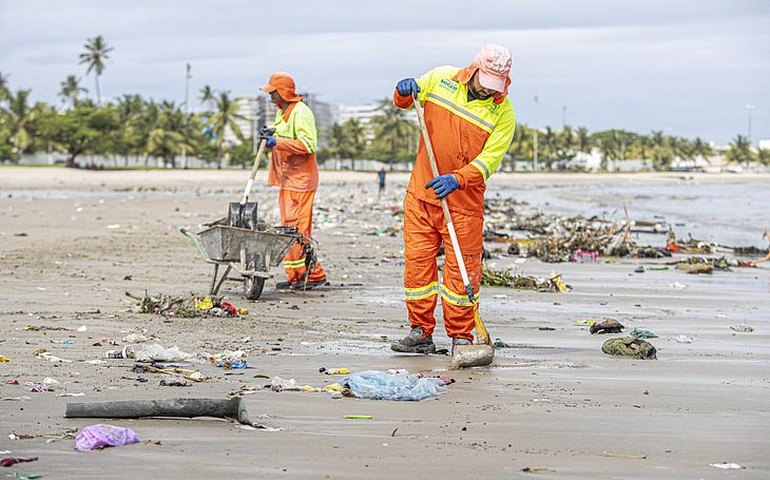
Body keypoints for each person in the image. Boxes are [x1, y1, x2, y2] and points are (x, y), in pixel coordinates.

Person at [389, 44, 516, 359]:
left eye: (495, 86)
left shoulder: (503, 113)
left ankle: (461, 336)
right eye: (485, 82)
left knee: (462, 270)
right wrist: (402, 92)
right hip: (421, 195)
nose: (488, 91)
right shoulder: (440, 79)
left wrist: (457, 179)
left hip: (463, 204)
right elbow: (404, 102)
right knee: (418, 265)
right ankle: (420, 331)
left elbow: (488, 162)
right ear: (473, 70)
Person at [259, 72, 328, 289]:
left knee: (300, 230)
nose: (270, 96)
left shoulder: (301, 112)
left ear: (283, 92)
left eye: (272, 92)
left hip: (302, 180)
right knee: (287, 228)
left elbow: (309, 144)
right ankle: (294, 276)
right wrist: (271, 135)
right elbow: (282, 134)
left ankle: (313, 275)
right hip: (288, 179)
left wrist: (277, 141)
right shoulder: (282, 112)